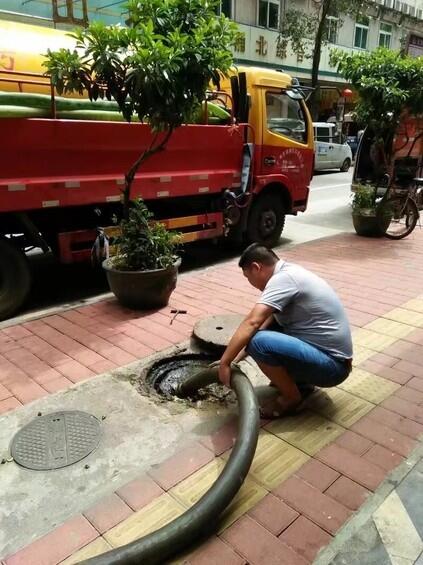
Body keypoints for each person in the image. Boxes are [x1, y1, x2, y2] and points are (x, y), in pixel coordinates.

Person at [218, 243, 353, 418]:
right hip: (333, 360)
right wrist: (235, 358)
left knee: (259, 343)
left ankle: (291, 398)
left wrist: (224, 363)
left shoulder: (284, 279)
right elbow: (264, 322)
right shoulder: (291, 272)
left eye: (247, 277)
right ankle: (301, 383)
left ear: (256, 267)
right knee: (270, 328)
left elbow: (252, 322)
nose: (250, 283)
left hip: (332, 368)